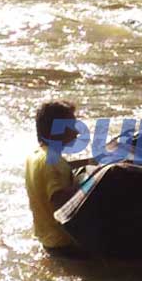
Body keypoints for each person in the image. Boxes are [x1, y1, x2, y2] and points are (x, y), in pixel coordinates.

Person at [24, 100, 94, 254]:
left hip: (47, 240)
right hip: (65, 245)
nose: (77, 131)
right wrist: (91, 180)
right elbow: (59, 202)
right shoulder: (54, 163)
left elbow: (60, 170)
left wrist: (89, 162)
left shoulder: (37, 155)